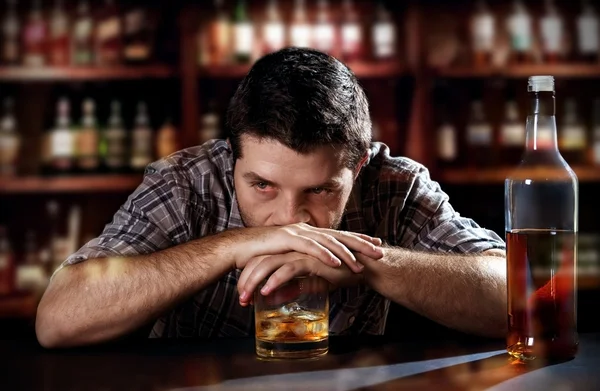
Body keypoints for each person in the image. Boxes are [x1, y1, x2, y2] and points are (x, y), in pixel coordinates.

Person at [35, 48, 506, 348]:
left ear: (358, 166)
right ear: (231, 157)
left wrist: (367, 263)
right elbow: (58, 320)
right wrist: (232, 246)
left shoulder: (394, 184)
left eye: (320, 189)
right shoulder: (185, 181)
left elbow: (523, 293)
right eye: (262, 185)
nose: (290, 220)